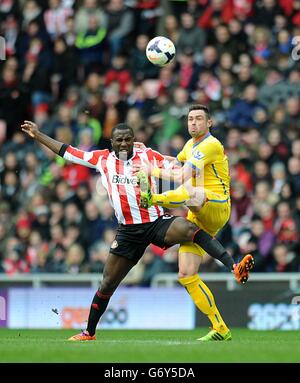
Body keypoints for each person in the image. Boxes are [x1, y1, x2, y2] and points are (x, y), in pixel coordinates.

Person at [21, 119, 253, 342]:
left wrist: (206, 168)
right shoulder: (102, 159)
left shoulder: (148, 156)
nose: (123, 144)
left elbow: (178, 166)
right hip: (128, 232)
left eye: (128, 140)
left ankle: (234, 265)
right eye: (119, 140)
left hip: (155, 222)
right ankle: (89, 332)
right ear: (111, 142)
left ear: (134, 140)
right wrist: (38, 135)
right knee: (107, 284)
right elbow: (68, 152)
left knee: (189, 228)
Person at [135, 104, 254, 341]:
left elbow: (180, 175)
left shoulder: (211, 145)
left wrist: (152, 171)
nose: (193, 123)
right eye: (190, 119)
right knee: (186, 273)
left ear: (209, 123)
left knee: (190, 189)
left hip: (216, 205)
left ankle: (153, 199)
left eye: (199, 119)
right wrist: (148, 153)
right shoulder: (190, 146)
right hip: (198, 214)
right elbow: (174, 162)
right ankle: (220, 327)